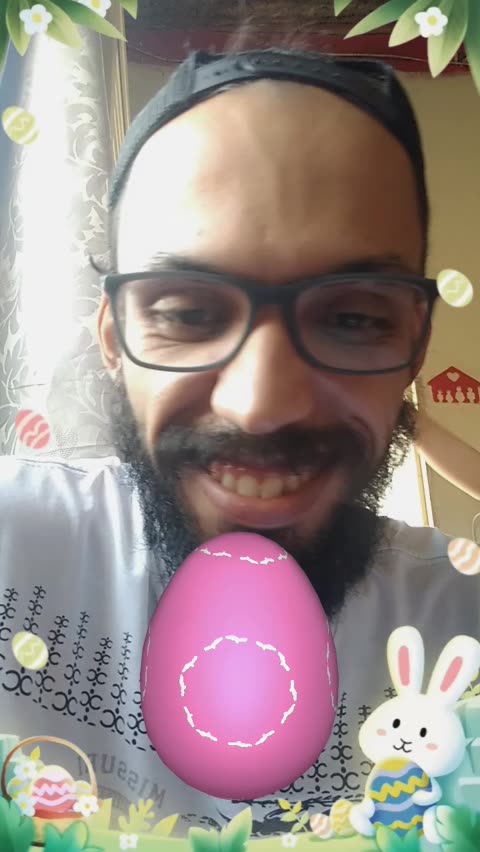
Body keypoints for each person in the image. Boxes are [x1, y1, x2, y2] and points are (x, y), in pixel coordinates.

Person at [0, 47, 478, 836]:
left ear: (414, 346)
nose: (260, 407)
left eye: (354, 317)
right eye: (188, 314)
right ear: (113, 338)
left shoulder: (463, 623)